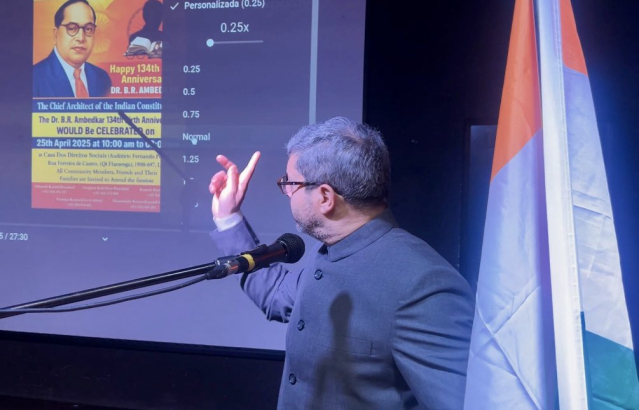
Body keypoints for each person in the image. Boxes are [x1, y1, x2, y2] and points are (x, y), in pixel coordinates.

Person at [209, 117, 474, 409]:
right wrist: (228, 218)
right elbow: (276, 295)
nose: (286, 192)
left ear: (325, 197)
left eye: (290, 183)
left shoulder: (423, 285)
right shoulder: (328, 251)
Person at [33, 0, 111, 98]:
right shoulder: (33, 78)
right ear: (56, 35)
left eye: (88, 29)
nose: (81, 38)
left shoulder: (103, 78)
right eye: (72, 28)